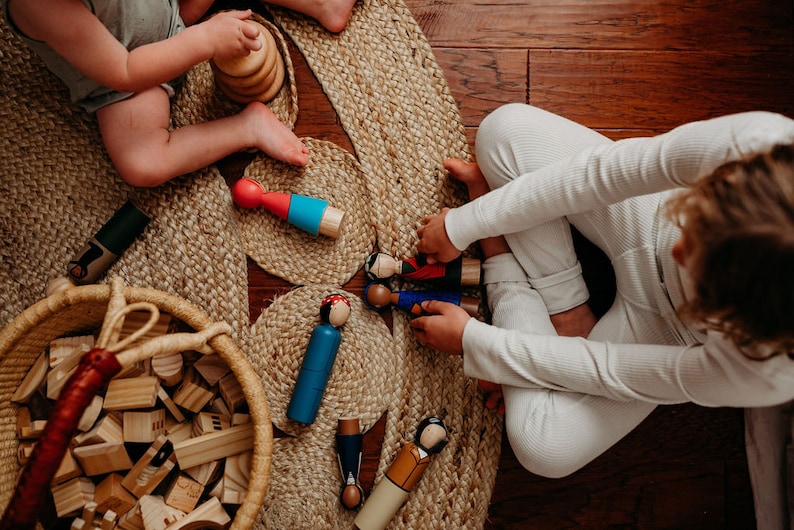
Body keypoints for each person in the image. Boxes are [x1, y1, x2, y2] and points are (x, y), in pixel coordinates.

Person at [410, 103, 794, 480]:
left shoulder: (766, 372)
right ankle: (567, 311)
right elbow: (604, 174)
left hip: (669, 333)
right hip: (645, 218)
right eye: (696, 218)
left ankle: (503, 258)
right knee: (505, 131)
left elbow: (613, 369)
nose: (678, 251)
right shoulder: (761, 146)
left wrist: (477, 342)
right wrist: (462, 225)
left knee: (546, 447)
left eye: (701, 273)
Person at [2, 0, 358, 187]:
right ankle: (247, 127)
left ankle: (323, 3)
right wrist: (203, 40)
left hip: (168, 8)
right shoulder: (41, 6)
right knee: (141, 163)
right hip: (129, 71)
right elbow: (125, 71)